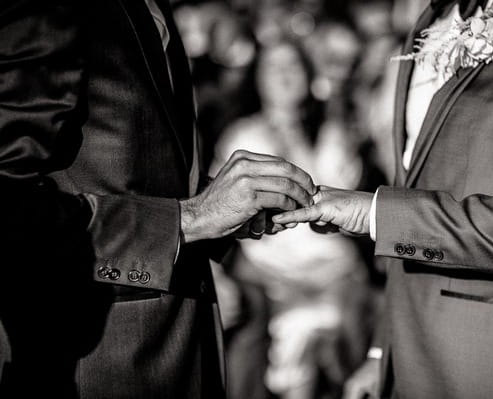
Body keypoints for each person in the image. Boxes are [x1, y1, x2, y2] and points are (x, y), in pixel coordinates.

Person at [275, 0, 493, 397]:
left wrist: (378, 215)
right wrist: (383, 352)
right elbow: (417, 177)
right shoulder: (429, 21)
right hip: (411, 353)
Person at [0, 0, 316, 398]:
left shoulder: (151, 8)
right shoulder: (51, 11)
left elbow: (139, 170)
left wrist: (228, 202)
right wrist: (192, 218)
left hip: (181, 347)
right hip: (95, 359)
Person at [211, 39, 375, 399]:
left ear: (308, 74)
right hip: (270, 273)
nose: (284, 75)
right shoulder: (242, 135)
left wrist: (324, 118)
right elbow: (219, 210)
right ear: (257, 79)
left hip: (333, 269)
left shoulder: (331, 128)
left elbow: (344, 182)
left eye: (293, 65)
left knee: (337, 317)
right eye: (273, 66)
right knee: (298, 326)